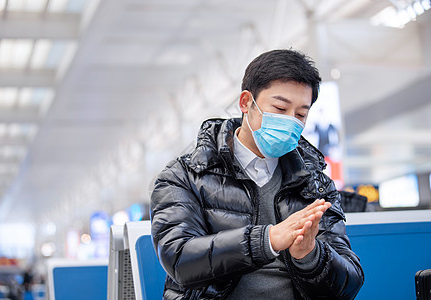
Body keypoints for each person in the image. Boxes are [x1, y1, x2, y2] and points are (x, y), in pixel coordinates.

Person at [150, 49, 364, 299]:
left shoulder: (315, 185)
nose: (290, 122)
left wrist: (310, 255)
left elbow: (348, 283)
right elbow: (180, 260)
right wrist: (267, 240)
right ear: (245, 103)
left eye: (300, 115)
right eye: (280, 108)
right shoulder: (185, 176)